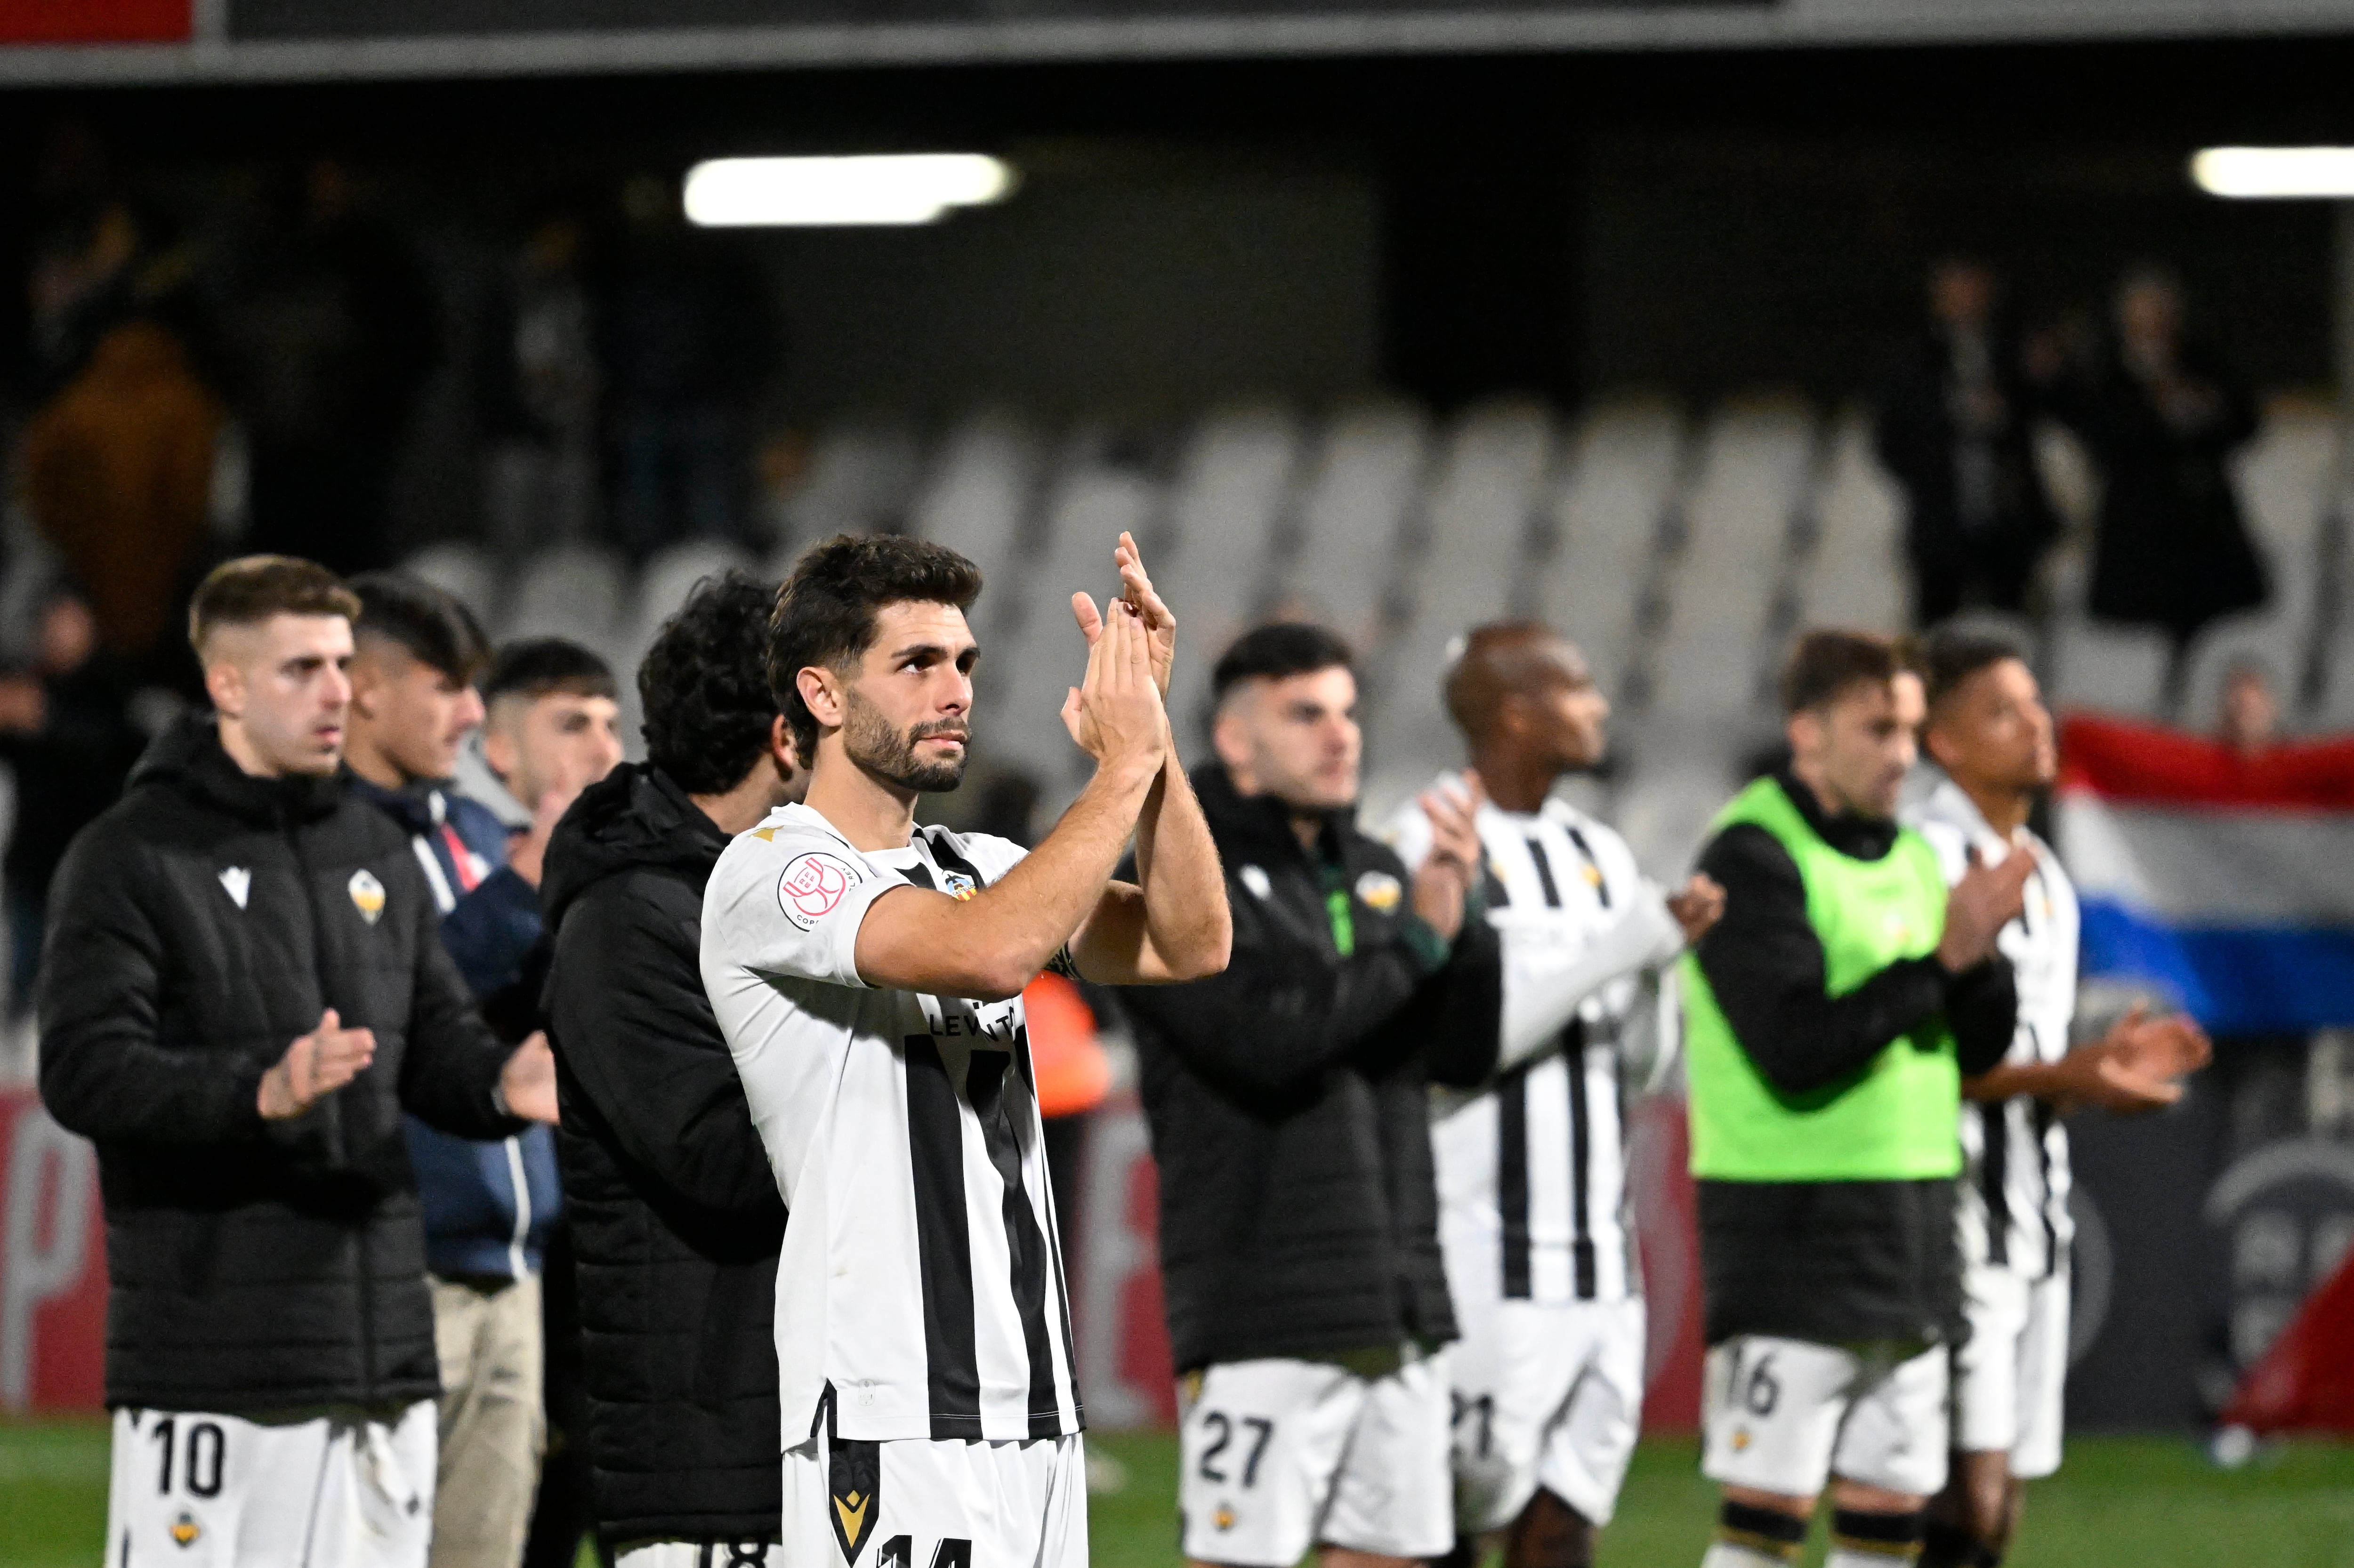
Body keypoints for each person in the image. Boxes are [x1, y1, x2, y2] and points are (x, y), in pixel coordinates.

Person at [702, 531, 1229, 1566]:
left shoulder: (975, 862)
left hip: (1030, 1396)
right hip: (888, 1403)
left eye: (965, 664)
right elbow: (986, 953)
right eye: (916, 665)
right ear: (822, 694)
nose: (955, 692)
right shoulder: (772, 871)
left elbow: (1190, 939)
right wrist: (1119, 772)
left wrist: (1154, 748)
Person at [36, 554, 557, 1568]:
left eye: (340, 663)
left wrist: (503, 1083)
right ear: (227, 685)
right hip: (215, 1365)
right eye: (302, 669)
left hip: (381, 1358)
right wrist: (257, 1088)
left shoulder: (369, 845)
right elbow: (86, 1070)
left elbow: (435, 1037)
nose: (337, 692)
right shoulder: (133, 856)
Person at [1114, 621, 1501, 1568]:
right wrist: (1413, 943)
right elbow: (1266, 1043)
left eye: (1347, 712)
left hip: (1395, 1293)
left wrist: (1466, 916)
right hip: (1263, 1301)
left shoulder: (1373, 869)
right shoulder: (1175, 877)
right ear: (1236, 739)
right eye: (1306, 714)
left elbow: (1458, 1053)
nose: (1341, 735)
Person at [1679, 629, 2026, 1568]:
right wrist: (1942, 959)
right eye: (1878, 729)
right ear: (1807, 732)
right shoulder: (1751, 858)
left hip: (1910, 1227)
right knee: (1763, 1525)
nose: (1902, 754)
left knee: (1887, 1522)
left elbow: (1978, 1047)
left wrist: (1982, 955)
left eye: (1910, 729)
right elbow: (1795, 1047)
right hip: (1793, 1229)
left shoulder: (1913, 856)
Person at [1385, 623, 1724, 1568]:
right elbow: (1459, 1050)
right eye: (1576, 689)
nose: (1600, 706)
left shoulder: (1599, 852)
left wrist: (1660, 967)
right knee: (1444, 1529)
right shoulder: (1427, 841)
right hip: (1480, 1256)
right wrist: (1626, 943)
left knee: (1564, 1530)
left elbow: (1638, 1072)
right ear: (1517, 712)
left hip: (1600, 1264)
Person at [1909, 633, 2210, 1568]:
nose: (2035, 725)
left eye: (2036, 703)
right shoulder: (1921, 857)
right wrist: (2069, 1074)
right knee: (1961, 1498)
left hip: (2035, 1215)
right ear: (1945, 743)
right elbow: (1910, 1056)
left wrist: (2097, 1076)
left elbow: (2022, 1059)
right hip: (1949, 1212)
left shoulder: (2042, 871)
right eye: (2002, 711)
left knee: (1998, 1512)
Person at [342, 577, 612, 1568]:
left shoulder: (463, 830)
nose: (465, 712)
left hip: (513, 1265)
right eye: (448, 686)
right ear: (366, 687)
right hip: (399, 1266)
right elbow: (395, 1006)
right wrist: (522, 893)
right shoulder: (330, 838)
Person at [540, 570, 801, 1566]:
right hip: (710, 1468)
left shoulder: (773, 893)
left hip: (803, 1440)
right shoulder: (626, 921)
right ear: (788, 734)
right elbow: (718, 1159)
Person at [2046, 267, 2265, 659]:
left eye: (2161, 314)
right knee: (2137, 644)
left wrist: (2201, 410)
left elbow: (2243, 421)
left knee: (2213, 636)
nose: (2154, 325)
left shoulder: (2202, 361)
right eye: (2143, 316)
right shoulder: (2106, 373)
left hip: (2205, 531)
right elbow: (2102, 437)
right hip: (2138, 533)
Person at [1872, 260, 2058, 627]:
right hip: (1942, 528)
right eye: (1956, 291)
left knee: (2008, 630)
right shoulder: (1915, 359)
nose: (1966, 300)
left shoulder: (2016, 351)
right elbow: (1890, 440)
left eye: (1973, 289)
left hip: (2008, 523)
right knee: (1938, 635)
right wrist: (1935, 473)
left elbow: (2051, 419)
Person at [0, 584, 145, 1017]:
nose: (59, 634)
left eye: (69, 623)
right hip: (34, 866)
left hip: (91, 868)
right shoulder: (29, 682)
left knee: (89, 984)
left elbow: (114, 750)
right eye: (51, 625)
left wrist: (47, 721)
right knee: (24, 988)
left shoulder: (113, 684)